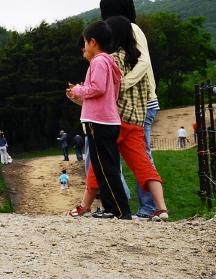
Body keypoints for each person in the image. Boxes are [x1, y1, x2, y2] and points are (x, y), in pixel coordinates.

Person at [69, 16, 168, 221]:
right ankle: (161, 208)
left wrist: (79, 93)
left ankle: (88, 206)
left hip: (114, 119)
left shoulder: (110, 59)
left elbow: (103, 91)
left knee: (99, 164)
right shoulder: (139, 59)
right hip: (137, 120)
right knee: (143, 165)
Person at [99, 0, 160, 218]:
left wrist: (120, 85)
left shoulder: (132, 29)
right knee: (131, 155)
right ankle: (125, 204)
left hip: (141, 103)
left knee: (138, 156)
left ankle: (147, 208)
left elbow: (143, 62)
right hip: (130, 104)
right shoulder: (120, 30)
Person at [66, 21, 132, 220]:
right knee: (107, 166)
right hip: (109, 120)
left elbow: (97, 88)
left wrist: (77, 90)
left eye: (85, 43)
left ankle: (118, 211)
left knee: (105, 168)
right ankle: (115, 209)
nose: (84, 48)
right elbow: (109, 91)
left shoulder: (99, 62)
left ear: (92, 42)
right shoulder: (111, 62)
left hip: (98, 122)